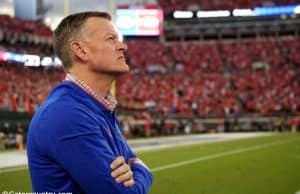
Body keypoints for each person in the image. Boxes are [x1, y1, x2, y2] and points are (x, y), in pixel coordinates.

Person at [27, 11, 153, 193]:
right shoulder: (66, 113)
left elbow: (128, 160)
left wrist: (133, 168)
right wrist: (143, 170)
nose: (123, 46)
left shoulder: (97, 106)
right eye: (111, 39)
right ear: (80, 50)